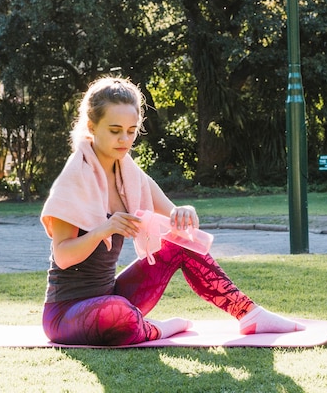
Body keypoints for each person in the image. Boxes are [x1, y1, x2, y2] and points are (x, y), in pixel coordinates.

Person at [40, 76, 305, 346]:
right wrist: (104, 229)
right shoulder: (73, 181)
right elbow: (62, 256)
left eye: (131, 131)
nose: (124, 139)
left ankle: (249, 314)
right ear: (92, 127)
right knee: (117, 312)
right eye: (115, 130)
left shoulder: (129, 176)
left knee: (181, 245)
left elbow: (177, 222)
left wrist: (185, 212)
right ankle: (156, 328)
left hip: (114, 296)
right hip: (67, 313)